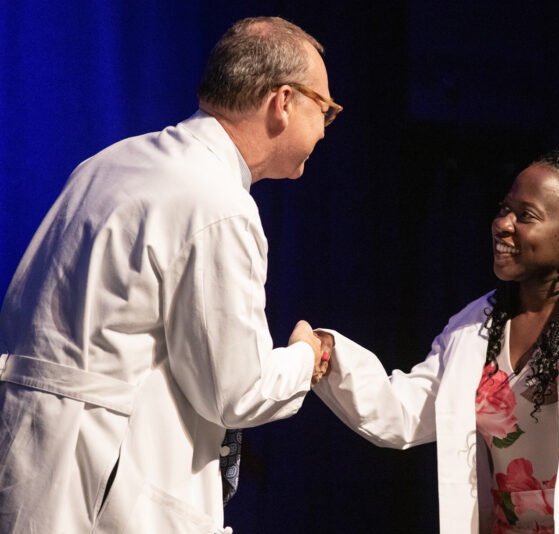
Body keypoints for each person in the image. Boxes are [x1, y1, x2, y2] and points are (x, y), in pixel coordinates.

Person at [0, 16, 340, 534]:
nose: (325, 126)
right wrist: (305, 357)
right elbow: (236, 390)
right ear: (284, 102)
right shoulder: (216, 202)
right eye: (326, 109)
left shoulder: (111, 161)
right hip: (100, 487)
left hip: (30, 458)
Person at [314, 147, 559, 534]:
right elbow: (403, 414)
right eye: (504, 209)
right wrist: (328, 353)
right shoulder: (475, 326)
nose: (503, 224)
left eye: (526, 216)